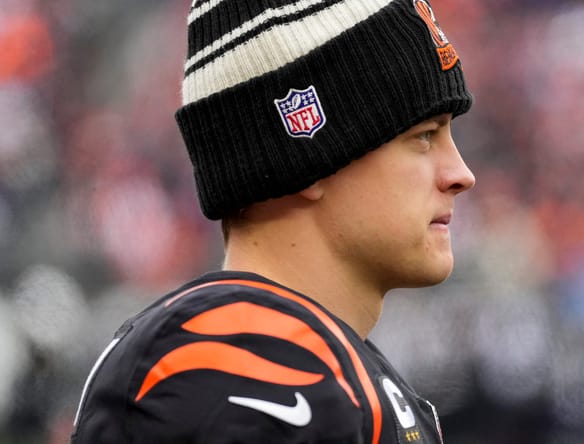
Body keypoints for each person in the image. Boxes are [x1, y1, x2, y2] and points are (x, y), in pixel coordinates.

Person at [70, 0, 475, 442]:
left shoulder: (316, 359)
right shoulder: (229, 358)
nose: (461, 175)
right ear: (314, 156)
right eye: (423, 137)